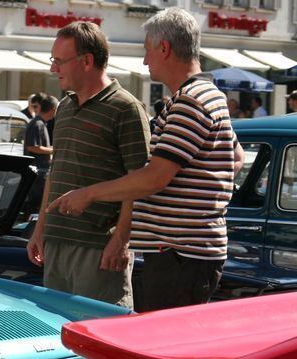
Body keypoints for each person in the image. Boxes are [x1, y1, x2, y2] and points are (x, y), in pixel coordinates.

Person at [46, 8, 245, 311]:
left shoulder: (191, 101)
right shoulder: (205, 94)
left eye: (147, 51)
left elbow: (154, 177)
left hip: (180, 253)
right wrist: (199, 193)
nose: (144, 60)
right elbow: (236, 157)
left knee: (163, 350)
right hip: (185, 251)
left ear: (164, 48)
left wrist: (89, 193)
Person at [26, 21, 151, 310]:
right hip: (57, 242)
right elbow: (56, 171)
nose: (53, 68)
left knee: (101, 337)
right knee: (59, 334)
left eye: (59, 61)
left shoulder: (126, 108)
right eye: (52, 60)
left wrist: (121, 241)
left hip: (98, 248)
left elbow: (139, 182)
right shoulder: (65, 107)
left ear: (87, 61)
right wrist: (41, 228)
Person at [23, 95, 57, 215]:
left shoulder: (40, 123)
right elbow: (32, 147)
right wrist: (53, 150)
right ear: (53, 109)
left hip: (40, 172)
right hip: (37, 173)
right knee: (35, 208)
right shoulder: (37, 124)